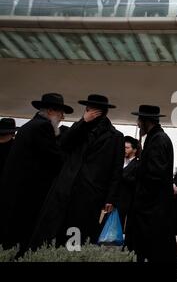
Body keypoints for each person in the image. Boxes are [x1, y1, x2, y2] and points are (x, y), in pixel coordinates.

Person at [30, 94, 124, 249]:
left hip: (93, 192)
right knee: (62, 229)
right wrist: (82, 122)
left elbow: (116, 169)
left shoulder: (115, 137)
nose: (90, 111)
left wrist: (111, 198)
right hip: (69, 188)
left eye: (94, 109)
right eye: (89, 109)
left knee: (85, 232)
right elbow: (64, 143)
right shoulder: (80, 128)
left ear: (103, 112)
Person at [0, 93, 72, 255]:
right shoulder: (42, 127)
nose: (62, 118)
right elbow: (54, 159)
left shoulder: (30, 125)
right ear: (52, 111)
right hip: (26, 194)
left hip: (17, 192)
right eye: (61, 113)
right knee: (21, 236)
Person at [127, 105, 177, 262]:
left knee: (158, 251)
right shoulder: (154, 138)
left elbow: (155, 175)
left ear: (145, 121)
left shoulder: (158, 140)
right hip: (152, 209)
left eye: (139, 120)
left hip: (152, 210)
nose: (137, 124)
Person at [119, 136, 140, 232]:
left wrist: (122, 176)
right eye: (123, 147)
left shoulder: (138, 164)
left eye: (127, 148)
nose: (124, 150)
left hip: (129, 200)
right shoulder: (119, 161)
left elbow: (137, 181)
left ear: (134, 150)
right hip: (116, 200)